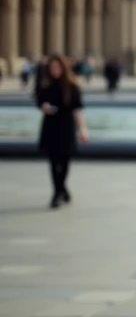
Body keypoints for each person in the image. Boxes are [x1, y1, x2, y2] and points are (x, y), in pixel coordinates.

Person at [36, 54, 88, 209]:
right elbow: (39, 102)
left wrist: (83, 129)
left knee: (64, 161)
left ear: (63, 68)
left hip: (66, 126)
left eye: (57, 67)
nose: (54, 70)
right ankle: (58, 192)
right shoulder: (44, 85)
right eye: (52, 67)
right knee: (53, 161)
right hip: (50, 125)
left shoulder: (72, 86)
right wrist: (44, 107)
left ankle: (61, 188)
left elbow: (77, 109)